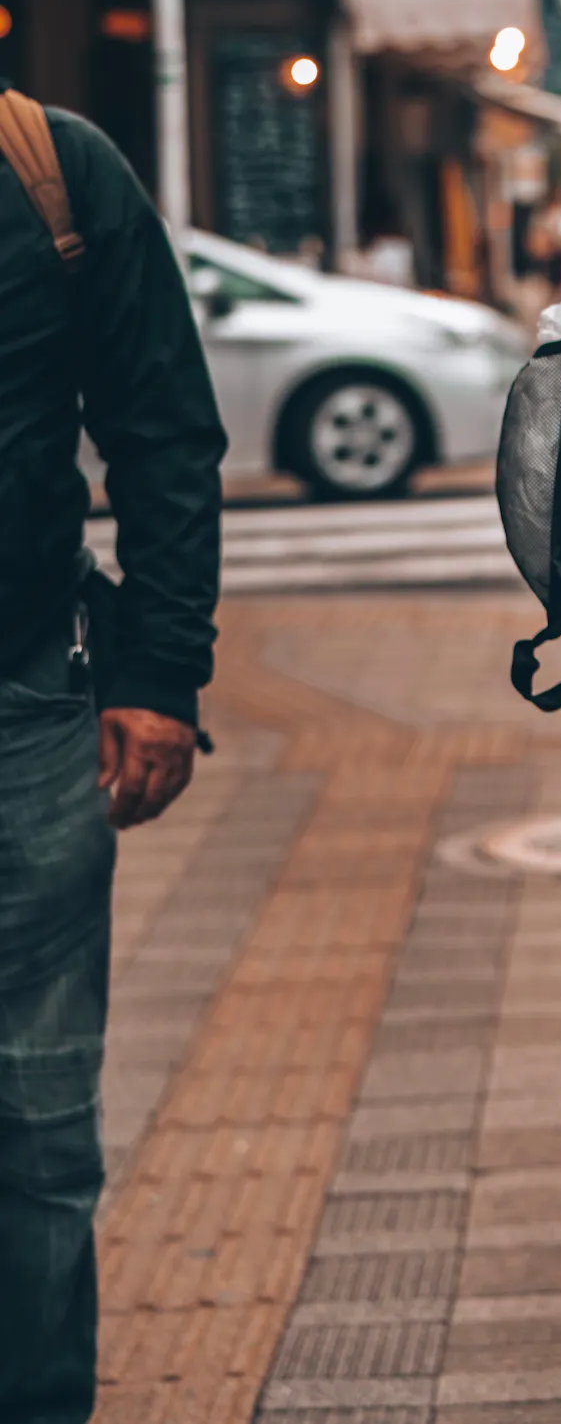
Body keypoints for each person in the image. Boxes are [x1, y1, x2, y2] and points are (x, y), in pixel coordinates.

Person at [0, 85, 226, 1423]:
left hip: (25, 701)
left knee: (33, 1126)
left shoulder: (52, 168)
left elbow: (163, 428)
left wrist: (160, 671)